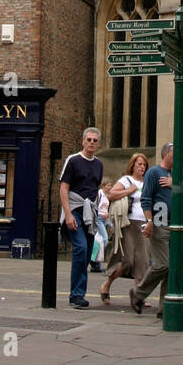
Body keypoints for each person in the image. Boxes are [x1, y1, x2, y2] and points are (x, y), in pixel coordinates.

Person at [129, 142, 179, 317]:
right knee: (163, 264)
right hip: (159, 222)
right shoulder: (153, 173)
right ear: (165, 154)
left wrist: (175, 184)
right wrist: (149, 221)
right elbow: (146, 198)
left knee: (171, 268)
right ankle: (138, 293)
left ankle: (165, 307)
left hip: (176, 225)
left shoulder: (176, 175)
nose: (178, 156)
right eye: (175, 153)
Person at [59, 128, 103, 308]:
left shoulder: (99, 164)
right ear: (83, 141)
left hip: (90, 213)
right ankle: (76, 294)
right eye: (89, 140)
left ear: (98, 144)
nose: (91, 142)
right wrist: (68, 214)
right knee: (81, 248)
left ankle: (79, 293)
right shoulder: (73, 160)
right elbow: (63, 188)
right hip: (75, 210)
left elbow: (95, 189)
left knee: (87, 252)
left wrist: (96, 211)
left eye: (95, 140)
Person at [99, 153, 149, 306]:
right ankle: (107, 284)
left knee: (143, 261)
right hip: (128, 224)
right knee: (128, 261)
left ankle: (139, 295)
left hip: (144, 223)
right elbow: (112, 194)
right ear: (132, 165)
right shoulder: (126, 180)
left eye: (144, 165)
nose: (142, 167)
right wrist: (130, 190)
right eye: (139, 164)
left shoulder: (147, 182)